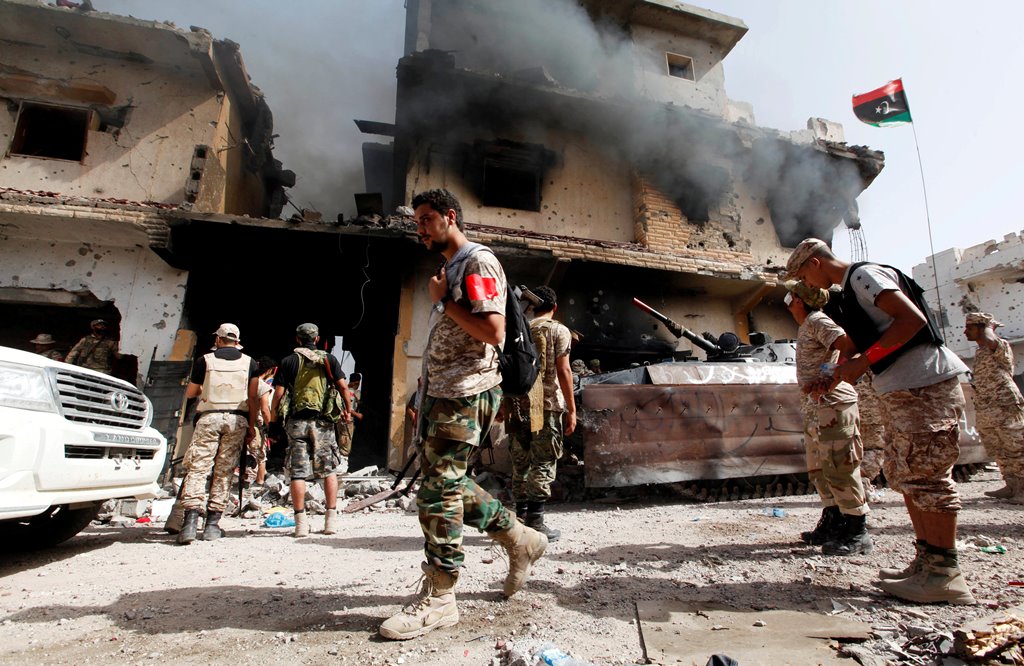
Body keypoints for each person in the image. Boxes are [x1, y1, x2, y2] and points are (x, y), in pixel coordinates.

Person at [379, 188, 547, 641]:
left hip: (466, 393)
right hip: (442, 395)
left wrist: (442, 301)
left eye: (426, 219)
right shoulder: (451, 267)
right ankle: (521, 538)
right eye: (417, 221)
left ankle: (441, 596)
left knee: (437, 493)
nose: (420, 228)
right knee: (448, 483)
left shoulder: (477, 261)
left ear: (450, 217)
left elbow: (493, 331)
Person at [788, 238, 974, 605]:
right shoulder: (848, 293)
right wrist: (835, 373)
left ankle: (944, 574)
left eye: (803, 276)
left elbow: (912, 321)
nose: (806, 286)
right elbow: (857, 344)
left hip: (922, 382)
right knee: (907, 474)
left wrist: (861, 362)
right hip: (902, 386)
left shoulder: (863, 276)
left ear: (814, 263)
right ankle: (927, 564)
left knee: (927, 475)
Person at [783, 282, 871, 556]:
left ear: (798, 300)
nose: (786, 299)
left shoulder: (817, 320)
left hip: (833, 404)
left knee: (840, 465)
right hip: (817, 407)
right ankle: (834, 519)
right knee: (820, 468)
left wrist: (832, 376)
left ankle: (857, 530)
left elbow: (848, 346)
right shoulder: (808, 324)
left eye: (790, 295)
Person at [504, 285, 576, 542]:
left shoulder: (518, 327)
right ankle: (536, 521)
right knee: (543, 460)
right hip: (545, 405)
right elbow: (564, 370)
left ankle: (521, 517)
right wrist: (572, 409)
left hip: (516, 405)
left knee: (520, 462)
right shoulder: (558, 330)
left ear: (533, 307)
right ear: (554, 307)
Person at [177, 324, 259, 545]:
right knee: (225, 470)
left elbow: (191, 393)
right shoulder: (250, 363)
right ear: (237, 341)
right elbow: (252, 398)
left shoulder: (205, 360)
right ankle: (212, 525)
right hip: (236, 420)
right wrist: (251, 427)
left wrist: (208, 387)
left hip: (209, 417)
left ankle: (189, 524)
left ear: (219, 340)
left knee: (198, 468)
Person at [271, 323, 351, 538]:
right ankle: (330, 521)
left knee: (297, 472)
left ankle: (300, 524)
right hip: (323, 422)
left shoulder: (288, 361)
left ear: (297, 339)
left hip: (297, 422)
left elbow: (278, 393)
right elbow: (343, 387)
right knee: (329, 470)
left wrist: (273, 417)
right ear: (317, 339)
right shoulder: (329, 360)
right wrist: (347, 410)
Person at [964, 311, 1024, 503]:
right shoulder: (980, 351)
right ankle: (1012, 485)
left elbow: (990, 339)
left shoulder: (998, 344)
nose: (965, 332)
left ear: (982, 328)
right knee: (998, 448)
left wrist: (989, 326)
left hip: (1004, 404)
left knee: (1015, 446)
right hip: (987, 407)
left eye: (970, 327)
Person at [854, 371, 886, 498]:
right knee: (876, 448)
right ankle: (860, 485)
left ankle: (856, 486)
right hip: (873, 412)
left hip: (852, 408)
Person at [249, 356, 278, 487]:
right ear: (269, 370)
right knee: (260, 454)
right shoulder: (263, 386)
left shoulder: (246, 383)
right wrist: (270, 426)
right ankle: (259, 481)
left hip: (242, 421)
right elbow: (265, 409)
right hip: (256, 423)